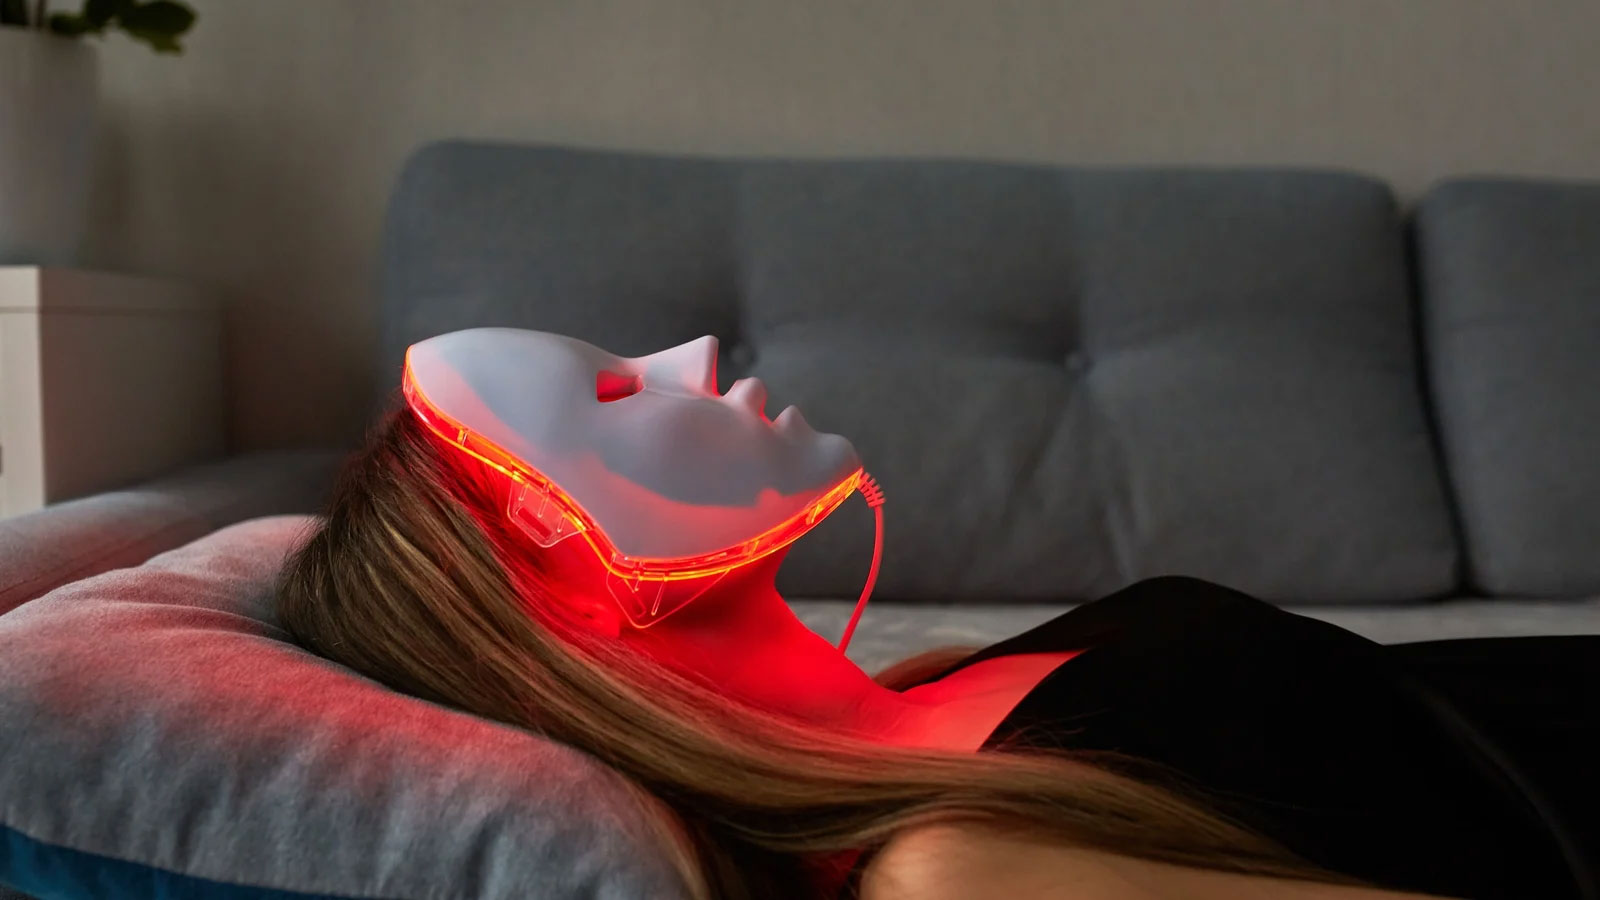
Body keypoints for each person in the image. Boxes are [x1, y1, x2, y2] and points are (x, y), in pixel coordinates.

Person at [277, 330, 1599, 900]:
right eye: (619, 397)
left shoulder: (933, 693)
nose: (696, 363)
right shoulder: (954, 870)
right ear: (563, 566)